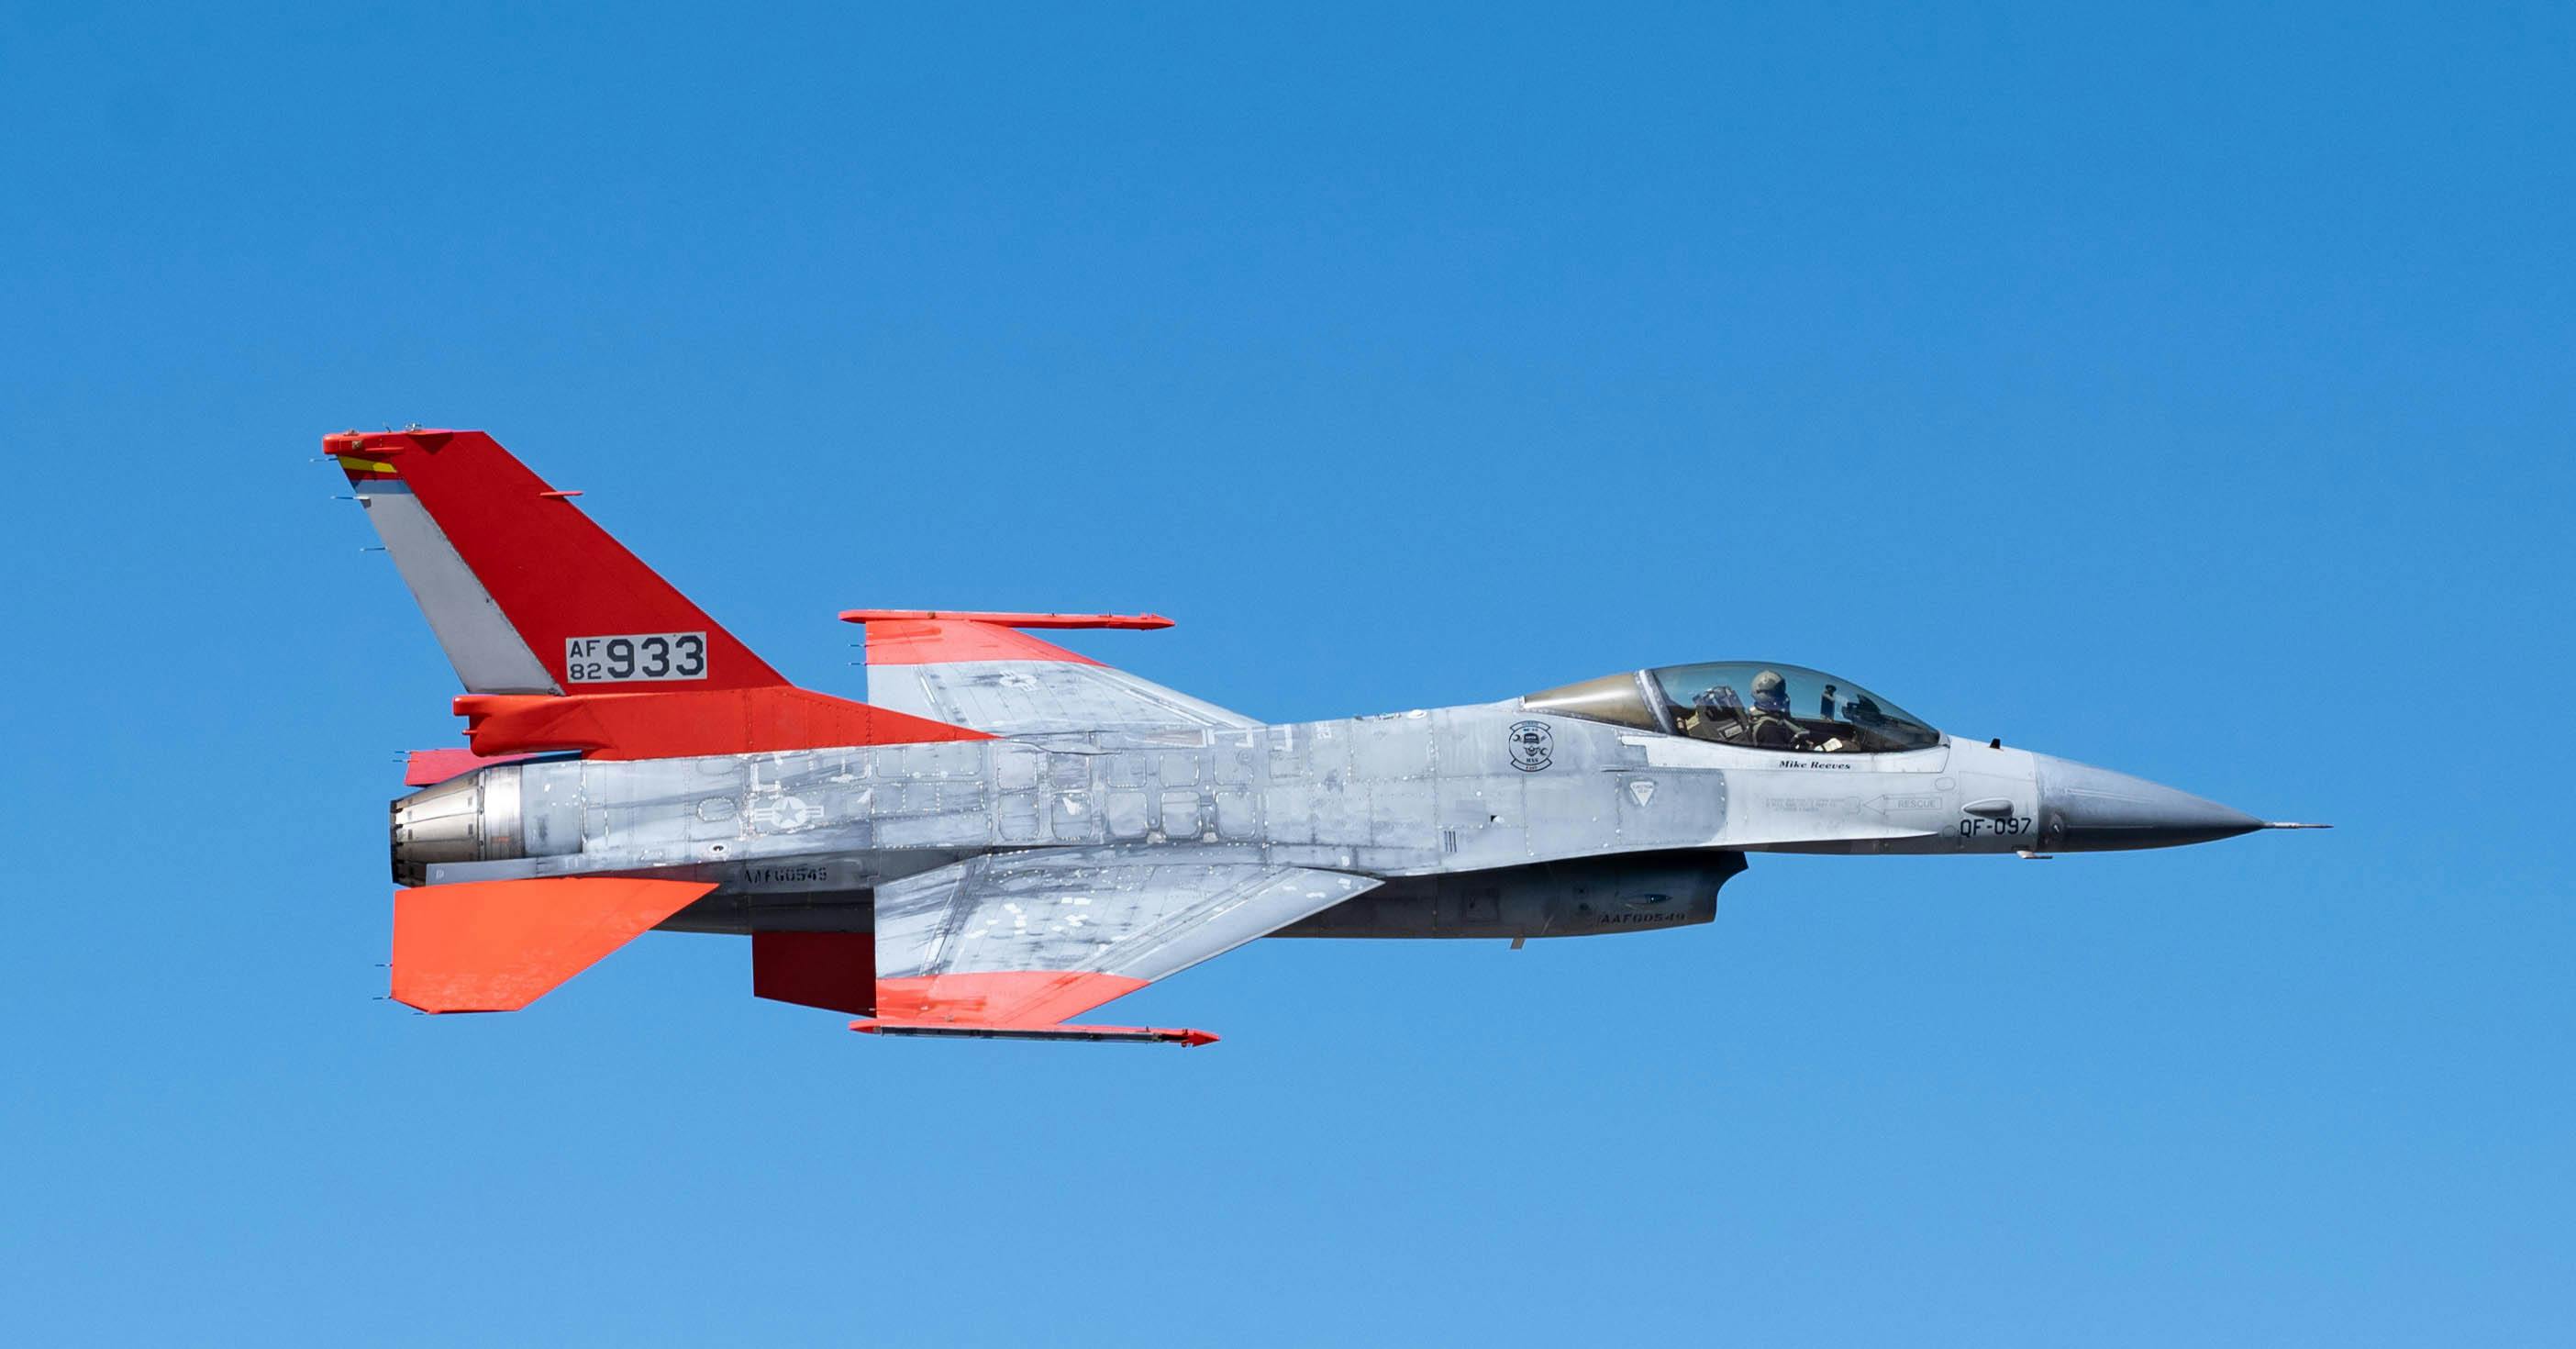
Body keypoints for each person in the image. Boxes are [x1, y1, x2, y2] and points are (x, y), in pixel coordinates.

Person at [1748, 669, 1810, 750]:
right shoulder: (1769, 729)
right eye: (1778, 691)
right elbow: (1783, 759)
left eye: (1782, 689)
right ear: (1765, 695)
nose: (1784, 695)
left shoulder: (1774, 716)